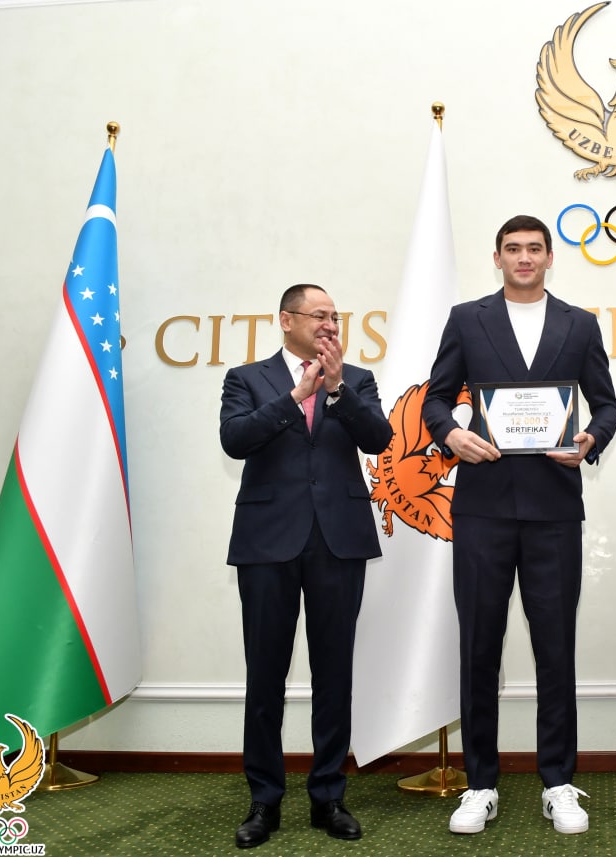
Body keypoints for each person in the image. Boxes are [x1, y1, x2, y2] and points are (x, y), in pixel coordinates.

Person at [422, 215, 616, 836]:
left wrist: (590, 438)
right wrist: (451, 434)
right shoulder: (467, 319)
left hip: (554, 510)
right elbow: (435, 398)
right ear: (498, 257)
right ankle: (480, 785)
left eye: (535, 248)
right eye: (513, 249)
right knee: (478, 649)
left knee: (555, 649)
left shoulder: (579, 324)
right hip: (482, 509)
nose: (524, 257)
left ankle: (558, 782)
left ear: (550, 257)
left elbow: (607, 404)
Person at [220, 284, 393, 849]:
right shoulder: (248, 378)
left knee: (334, 674)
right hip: (267, 541)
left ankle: (328, 797)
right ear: (286, 320)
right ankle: (264, 800)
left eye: (335, 317)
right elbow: (235, 439)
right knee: (265, 675)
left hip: (338, 540)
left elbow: (379, 438)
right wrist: (296, 396)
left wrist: (336, 388)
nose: (329, 325)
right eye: (318, 315)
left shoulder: (356, 379)